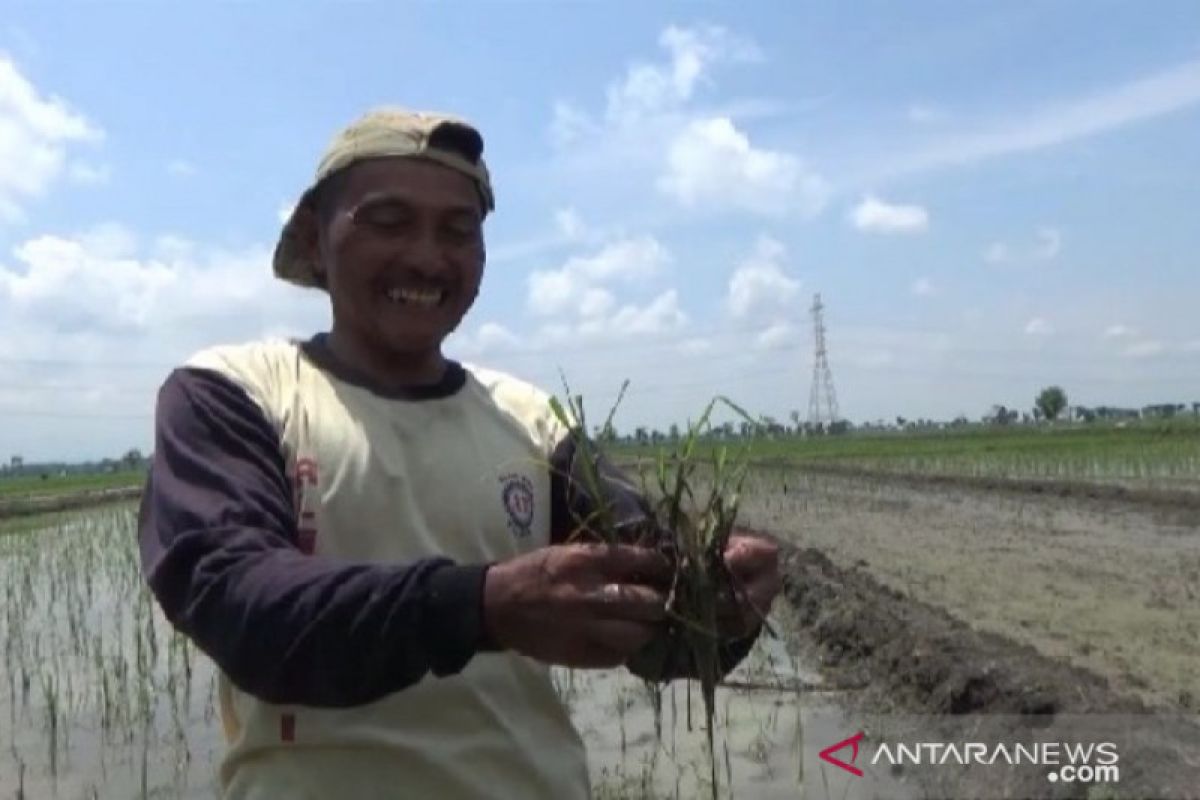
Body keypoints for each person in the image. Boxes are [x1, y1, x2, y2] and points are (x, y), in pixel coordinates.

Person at [137, 107, 782, 800]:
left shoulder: (533, 421)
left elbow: (655, 636)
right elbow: (241, 607)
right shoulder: (233, 392)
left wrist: (718, 605)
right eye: (387, 221)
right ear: (316, 241)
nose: (425, 256)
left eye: (458, 230)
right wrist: (484, 605)